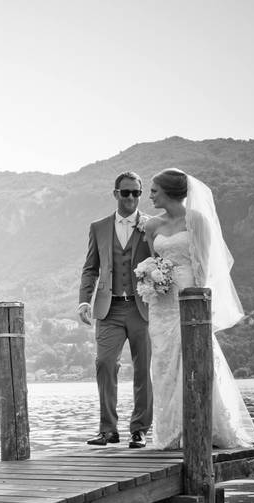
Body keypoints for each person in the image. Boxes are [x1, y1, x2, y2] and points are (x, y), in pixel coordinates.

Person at [143, 168, 254, 449]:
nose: (150, 195)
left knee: (193, 358)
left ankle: (203, 426)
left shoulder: (197, 220)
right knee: (163, 363)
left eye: (154, 190)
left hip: (190, 297)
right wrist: (150, 276)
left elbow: (205, 268)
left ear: (169, 192)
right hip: (161, 302)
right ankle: (170, 433)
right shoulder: (151, 227)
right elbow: (153, 260)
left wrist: (197, 300)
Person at [78, 171, 153, 448]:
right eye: (126, 192)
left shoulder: (151, 225)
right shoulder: (98, 227)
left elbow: (162, 261)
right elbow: (90, 268)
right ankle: (108, 429)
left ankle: (140, 429)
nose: (131, 197)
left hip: (141, 307)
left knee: (143, 369)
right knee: (104, 364)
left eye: (136, 192)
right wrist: (84, 300)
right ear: (115, 194)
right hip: (108, 309)